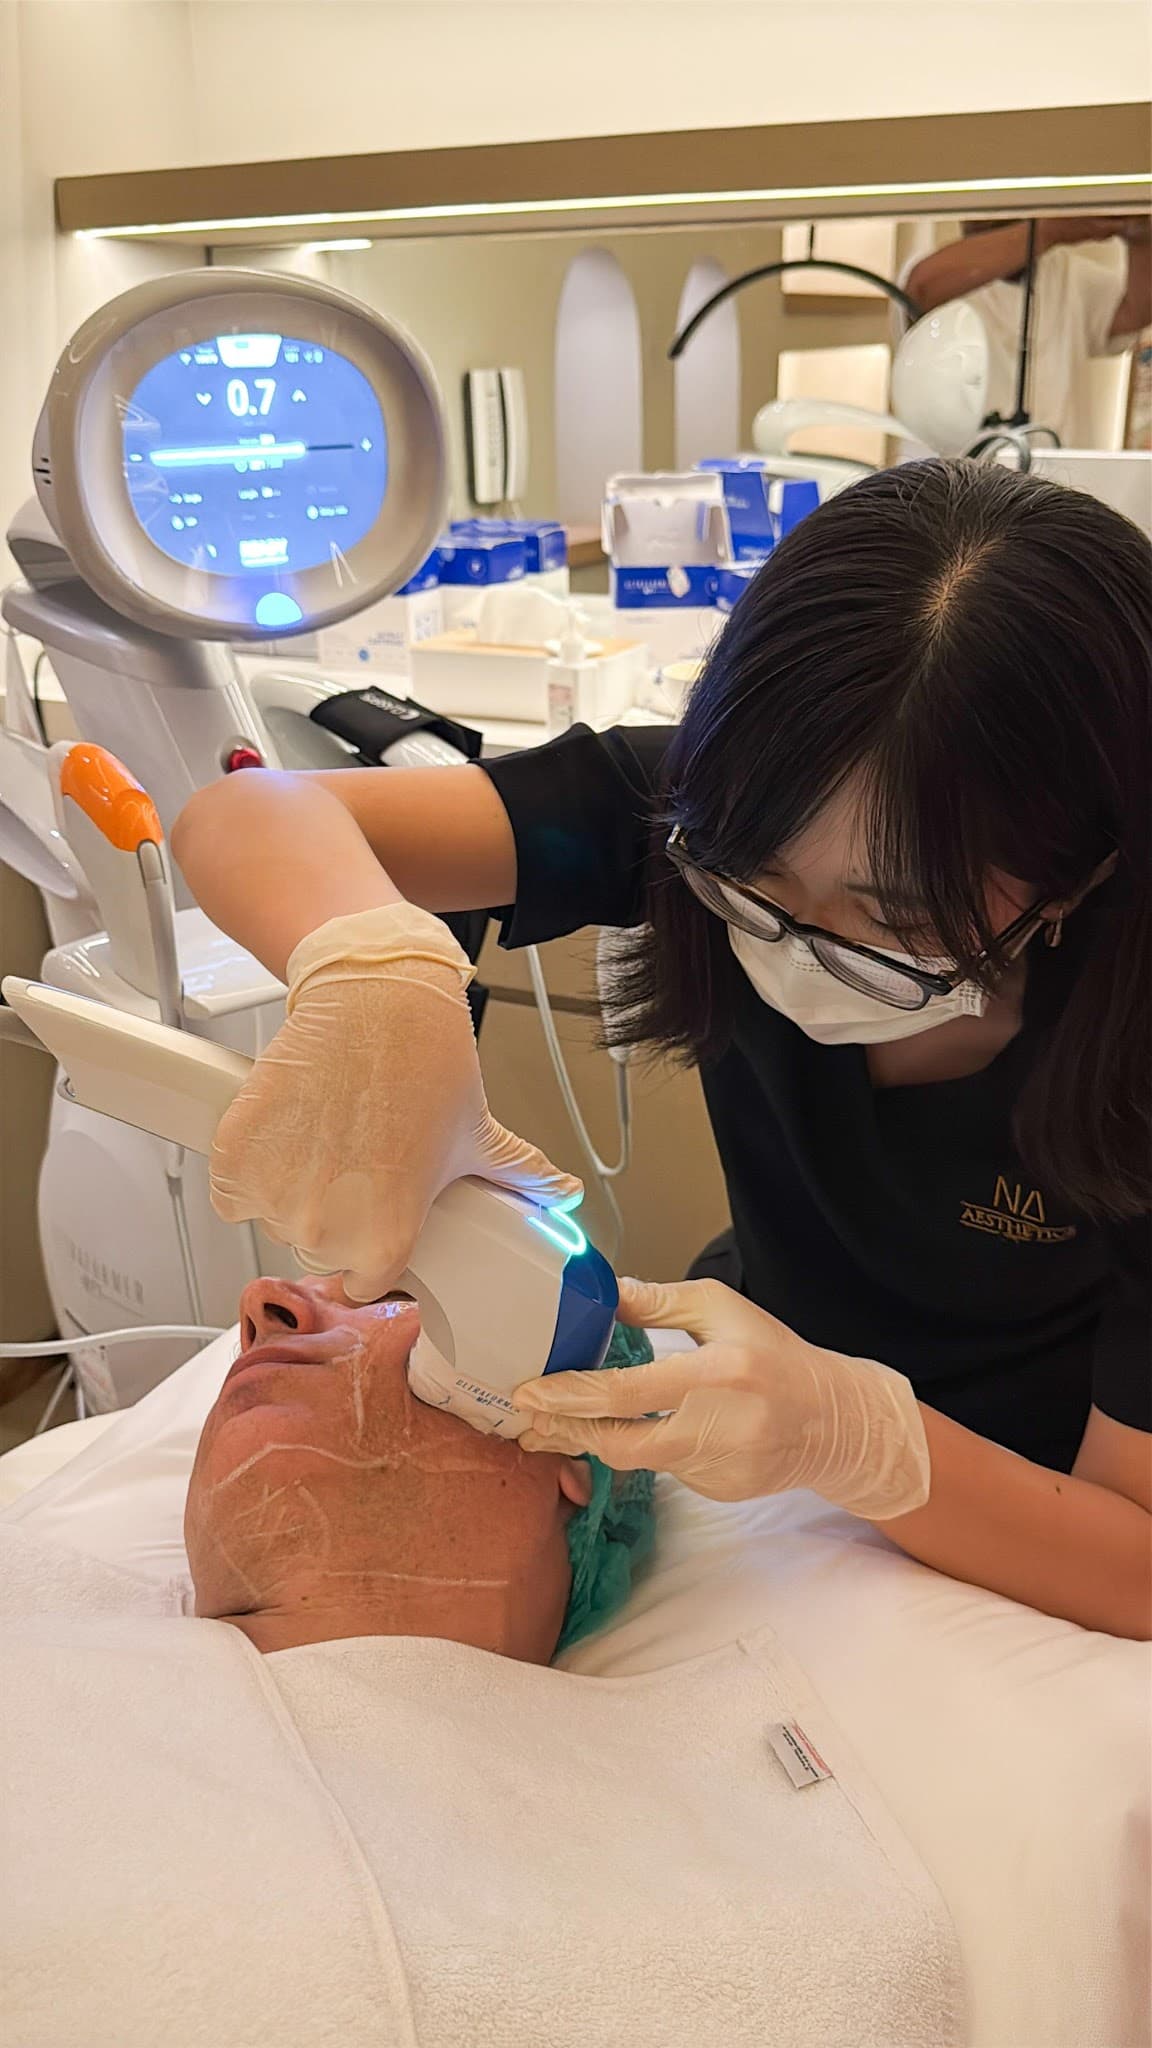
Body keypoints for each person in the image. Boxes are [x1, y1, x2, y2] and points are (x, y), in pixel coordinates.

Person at [172, 459, 1152, 1642]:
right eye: (753, 882)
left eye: (895, 920)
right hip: (762, 1375)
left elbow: (1135, 1559)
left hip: (1043, 1494)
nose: (797, 944)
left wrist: (860, 1438)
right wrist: (378, 966)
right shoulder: (693, 805)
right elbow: (247, 812)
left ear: (1083, 870)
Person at [899, 215, 1151, 448]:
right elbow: (921, 290)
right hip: (959, 483)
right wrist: (1049, 231)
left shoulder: (1071, 274)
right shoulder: (940, 270)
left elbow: (1138, 311)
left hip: (1057, 482)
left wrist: (1141, 232)